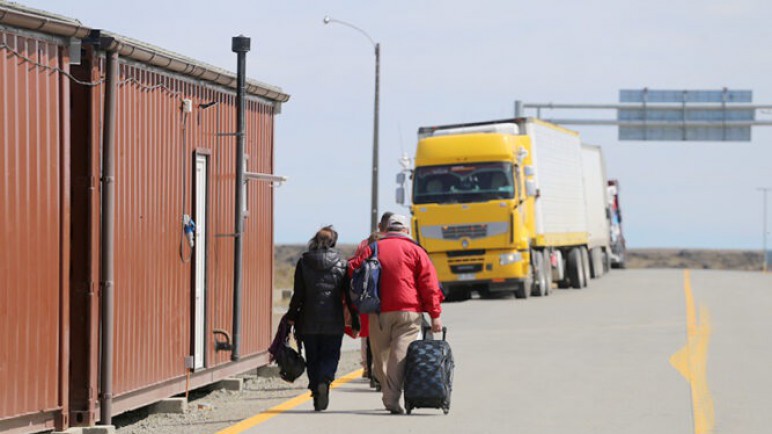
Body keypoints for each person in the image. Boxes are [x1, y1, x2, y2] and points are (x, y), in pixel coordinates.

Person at [349, 214, 444, 414]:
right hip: (408, 311)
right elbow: (430, 285)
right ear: (406, 230)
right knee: (399, 354)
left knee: (379, 355)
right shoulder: (416, 250)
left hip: (378, 311)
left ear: (386, 230)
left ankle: (387, 391)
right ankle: (391, 397)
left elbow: (353, 269)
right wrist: (435, 315)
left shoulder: (372, 248)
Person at [286, 226, 359, 412]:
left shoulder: (303, 262)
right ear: (333, 242)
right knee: (331, 354)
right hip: (333, 319)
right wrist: (356, 320)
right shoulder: (342, 263)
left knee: (313, 357)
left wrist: (291, 317)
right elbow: (349, 296)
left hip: (308, 319)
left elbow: (298, 294)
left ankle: (315, 388)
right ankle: (325, 379)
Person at [351, 211, 394, 390]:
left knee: (369, 337)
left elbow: (355, 266)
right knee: (390, 338)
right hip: (390, 298)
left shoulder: (365, 243)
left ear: (380, 225)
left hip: (367, 298)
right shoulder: (395, 243)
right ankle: (386, 373)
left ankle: (369, 370)